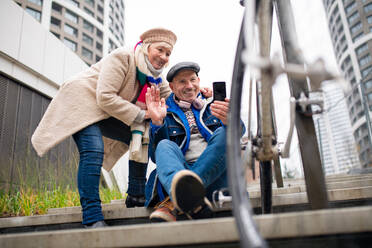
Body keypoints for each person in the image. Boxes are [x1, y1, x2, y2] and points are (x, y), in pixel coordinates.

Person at [31, 28, 178, 228]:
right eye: (160, 50)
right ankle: (92, 216)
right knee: (93, 151)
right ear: (146, 47)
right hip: (82, 102)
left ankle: (136, 197)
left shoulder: (155, 80)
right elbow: (106, 96)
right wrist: (144, 114)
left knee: (142, 134)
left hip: (105, 112)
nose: (163, 57)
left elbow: (175, 98)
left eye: (168, 54)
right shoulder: (123, 58)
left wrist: (199, 94)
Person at [144, 62, 245, 222]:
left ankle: (175, 201)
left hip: (216, 173)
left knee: (225, 132)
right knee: (164, 145)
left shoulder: (215, 106)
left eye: (192, 80)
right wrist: (157, 123)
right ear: (171, 86)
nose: (189, 86)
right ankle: (192, 200)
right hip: (179, 173)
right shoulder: (165, 113)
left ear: (199, 80)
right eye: (182, 82)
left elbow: (238, 133)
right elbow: (158, 158)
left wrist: (231, 121)